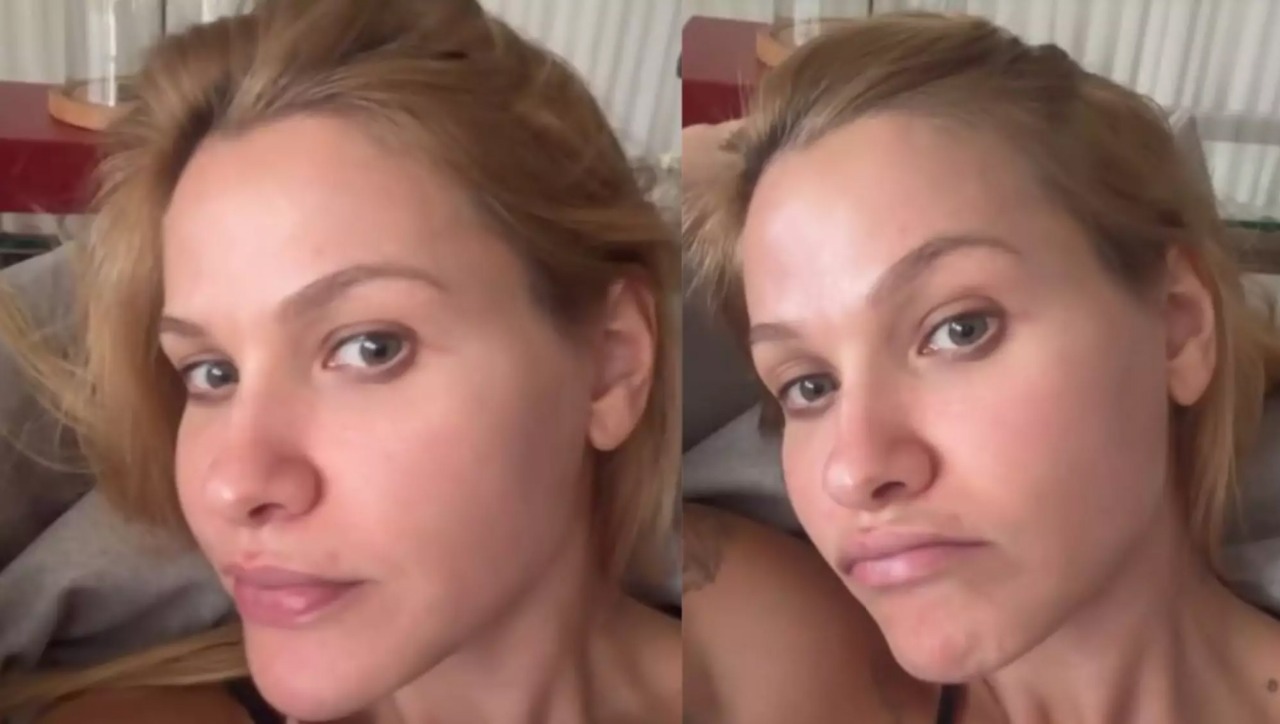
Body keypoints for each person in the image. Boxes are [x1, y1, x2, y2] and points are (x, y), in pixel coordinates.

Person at [0, 0, 681, 722]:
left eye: (370, 348)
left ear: (611, 364)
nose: (235, 484)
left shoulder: (752, 659)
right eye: (212, 373)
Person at [683, 12, 1280, 724]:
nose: (856, 470)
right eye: (809, 386)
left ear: (1177, 328)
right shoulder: (776, 657)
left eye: (960, 330)